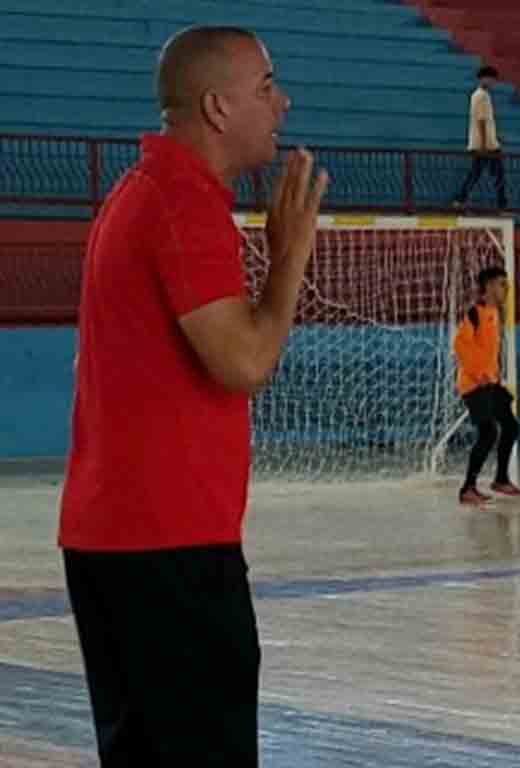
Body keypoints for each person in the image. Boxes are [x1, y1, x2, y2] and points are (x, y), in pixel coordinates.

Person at [58, 26, 328, 767]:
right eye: (266, 86)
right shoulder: (182, 201)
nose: (283, 101)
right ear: (217, 106)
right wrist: (290, 259)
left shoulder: (140, 191)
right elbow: (243, 361)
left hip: (117, 542)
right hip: (168, 548)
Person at [453, 266, 520, 505]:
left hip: (489, 383)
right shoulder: (475, 313)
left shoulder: (496, 313)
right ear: (489, 287)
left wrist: (494, 376)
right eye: (502, 284)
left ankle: (501, 479)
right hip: (474, 385)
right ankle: (468, 488)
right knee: (489, 432)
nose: (506, 288)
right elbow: (461, 346)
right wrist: (480, 374)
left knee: (511, 427)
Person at [453, 66, 507, 211]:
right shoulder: (481, 96)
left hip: (486, 143)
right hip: (486, 146)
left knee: (476, 174)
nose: (492, 82)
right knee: (497, 177)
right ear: (484, 78)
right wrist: (484, 144)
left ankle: (460, 199)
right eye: (491, 79)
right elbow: (481, 121)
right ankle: (502, 206)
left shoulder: (481, 95)